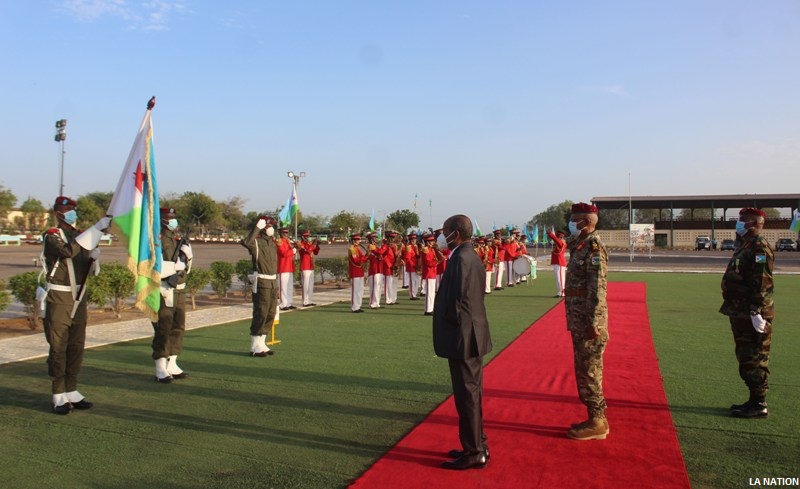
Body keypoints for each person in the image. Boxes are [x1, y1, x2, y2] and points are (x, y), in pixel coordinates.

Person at [433, 215, 492, 470]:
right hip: (472, 334)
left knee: (466, 395)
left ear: (455, 233)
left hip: (463, 336)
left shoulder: (460, 258)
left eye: (444, 231)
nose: (440, 236)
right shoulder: (469, 254)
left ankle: (474, 451)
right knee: (472, 393)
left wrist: (448, 324)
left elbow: (457, 302)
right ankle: (478, 443)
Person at [41, 196, 111, 414]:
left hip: (79, 298)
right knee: (59, 345)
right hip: (59, 298)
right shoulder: (53, 235)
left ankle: (71, 389)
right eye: (66, 209)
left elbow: (90, 270)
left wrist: (95, 257)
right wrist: (96, 229)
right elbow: (68, 252)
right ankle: (58, 393)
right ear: (57, 213)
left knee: (76, 346)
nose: (71, 212)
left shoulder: (81, 236)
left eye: (72, 209)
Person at [720, 207, 774, 418]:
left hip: (752, 314)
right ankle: (754, 400)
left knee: (755, 357)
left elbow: (762, 282)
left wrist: (756, 311)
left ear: (755, 223)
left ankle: (759, 403)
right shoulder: (746, 245)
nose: (739, 223)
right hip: (740, 312)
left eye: (743, 220)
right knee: (745, 357)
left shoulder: (759, 247)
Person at [563, 202, 610, 440]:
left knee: (590, 369)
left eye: (574, 220)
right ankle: (595, 417)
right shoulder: (581, 245)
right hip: (580, 320)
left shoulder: (593, 248)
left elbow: (597, 289)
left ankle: (598, 421)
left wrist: (594, 322)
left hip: (589, 323)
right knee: (584, 368)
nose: (570, 223)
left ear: (585, 222)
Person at [152, 207, 193, 383]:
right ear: (161, 220)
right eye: (169, 217)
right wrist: (172, 268)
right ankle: (161, 366)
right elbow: (152, 266)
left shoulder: (177, 240)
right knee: (163, 328)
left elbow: (186, 269)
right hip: (164, 288)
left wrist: (188, 257)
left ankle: (172, 363)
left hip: (179, 288)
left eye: (174, 217)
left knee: (178, 326)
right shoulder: (156, 240)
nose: (173, 220)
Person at [240, 216, 278, 357]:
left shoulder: (271, 243)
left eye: (271, 226)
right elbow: (245, 242)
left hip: (273, 282)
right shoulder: (256, 242)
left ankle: (262, 342)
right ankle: (254, 345)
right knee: (261, 312)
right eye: (268, 226)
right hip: (262, 281)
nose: (271, 229)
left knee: (271, 313)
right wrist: (256, 228)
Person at [419, 234, 443, 316]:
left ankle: (430, 308)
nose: (433, 242)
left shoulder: (431, 250)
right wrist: (437, 262)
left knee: (432, 292)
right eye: (431, 241)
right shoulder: (426, 250)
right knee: (429, 292)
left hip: (432, 272)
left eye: (433, 241)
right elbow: (428, 262)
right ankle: (428, 310)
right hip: (429, 272)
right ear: (427, 242)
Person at [297, 230, 320, 307]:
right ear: (302, 237)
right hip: (305, 266)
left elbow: (315, 252)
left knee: (310, 285)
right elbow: (308, 250)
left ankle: (309, 300)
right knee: (305, 285)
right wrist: (313, 244)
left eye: (308, 236)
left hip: (310, 266)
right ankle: (305, 302)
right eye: (306, 236)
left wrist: (317, 245)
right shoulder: (301, 244)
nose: (307, 238)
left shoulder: (309, 244)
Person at [276, 227, 296, 311]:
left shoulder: (287, 242)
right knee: (283, 288)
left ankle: (289, 303)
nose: (286, 234)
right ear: (280, 233)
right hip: (283, 267)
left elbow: (290, 253)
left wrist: (295, 247)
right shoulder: (279, 242)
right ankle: (283, 304)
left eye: (287, 233)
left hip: (289, 267)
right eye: (284, 233)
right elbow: (283, 253)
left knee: (289, 287)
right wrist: (293, 251)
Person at [348, 234, 369, 313]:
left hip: (360, 271)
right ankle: (354, 307)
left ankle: (358, 306)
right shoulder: (352, 249)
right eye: (358, 240)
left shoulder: (357, 248)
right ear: (354, 241)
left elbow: (361, 258)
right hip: (355, 271)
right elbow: (356, 260)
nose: (359, 241)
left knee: (360, 290)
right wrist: (366, 256)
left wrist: (367, 256)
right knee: (355, 290)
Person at [366, 232, 387, 309]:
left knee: (378, 287)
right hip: (374, 269)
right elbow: (380, 252)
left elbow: (382, 255)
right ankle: (372, 303)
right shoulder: (371, 246)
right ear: (370, 239)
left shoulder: (376, 246)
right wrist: (385, 245)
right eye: (374, 238)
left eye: (375, 238)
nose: (375, 239)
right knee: (374, 287)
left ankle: (377, 303)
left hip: (379, 268)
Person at [548, 228, 567, 298]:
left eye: (558, 235)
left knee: (560, 278)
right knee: (558, 278)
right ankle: (559, 291)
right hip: (557, 262)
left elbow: (556, 240)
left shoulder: (561, 242)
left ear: (561, 236)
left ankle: (562, 292)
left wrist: (551, 234)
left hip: (560, 262)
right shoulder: (559, 242)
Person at [401, 232, 420, 300]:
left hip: (416, 266)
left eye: (415, 239)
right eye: (413, 239)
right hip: (411, 266)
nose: (414, 241)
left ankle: (414, 293)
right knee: (412, 281)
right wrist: (414, 265)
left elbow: (418, 256)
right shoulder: (409, 247)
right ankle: (412, 295)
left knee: (416, 281)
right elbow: (407, 258)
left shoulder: (416, 247)